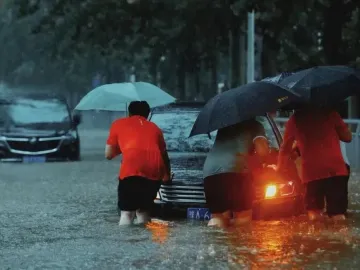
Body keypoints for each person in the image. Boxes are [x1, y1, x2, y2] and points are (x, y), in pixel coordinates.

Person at [277, 107, 352, 221]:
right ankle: (338, 237)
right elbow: (347, 138)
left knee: (314, 213)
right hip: (335, 169)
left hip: (311, 172)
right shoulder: (331, 113)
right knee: (338, 215)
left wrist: (280, 168)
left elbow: (285, 149)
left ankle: (316, 236)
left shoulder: (294, 119)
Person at [105, 101, 171, 225]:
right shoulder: (155, 128)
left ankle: (126, 243)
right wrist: (167, 177)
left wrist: (124, 148)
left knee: (127, 213)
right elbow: (164, 155)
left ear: (129, 113)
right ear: (148, 114)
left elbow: (108, 154)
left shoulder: (118, 124)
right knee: (144, 211)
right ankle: (145, 241)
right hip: (155, 170)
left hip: (131, 169)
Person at [203, 118, 270, 227]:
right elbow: (262, 151)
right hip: (237, 170)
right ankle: (239, 243)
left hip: (210, 172)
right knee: (243, 217)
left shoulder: (224, 125)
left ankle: (216, 241)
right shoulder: (255, 125)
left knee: (219, 217)